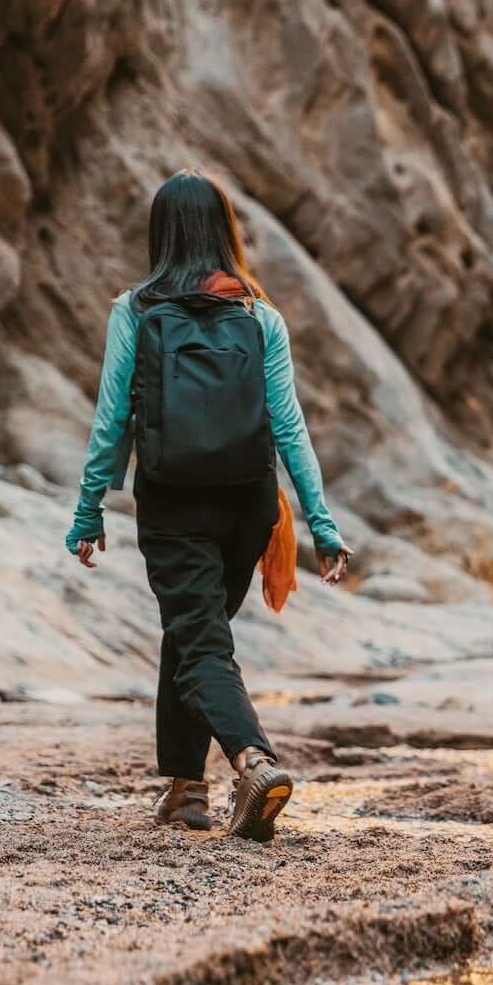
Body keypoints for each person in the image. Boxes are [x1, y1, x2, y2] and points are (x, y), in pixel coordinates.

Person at [66, 169, 353, 841]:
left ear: (161, 234)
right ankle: (186, 790)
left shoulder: (135, 311)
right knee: (193, 632)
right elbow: (289, 428)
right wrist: (321, 522)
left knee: (198, 640)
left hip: (172, 500)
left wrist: (88, 509)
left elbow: (112, 422)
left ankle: (253, 762)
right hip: (248, 504)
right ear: (227, 233)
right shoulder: (261, 316)